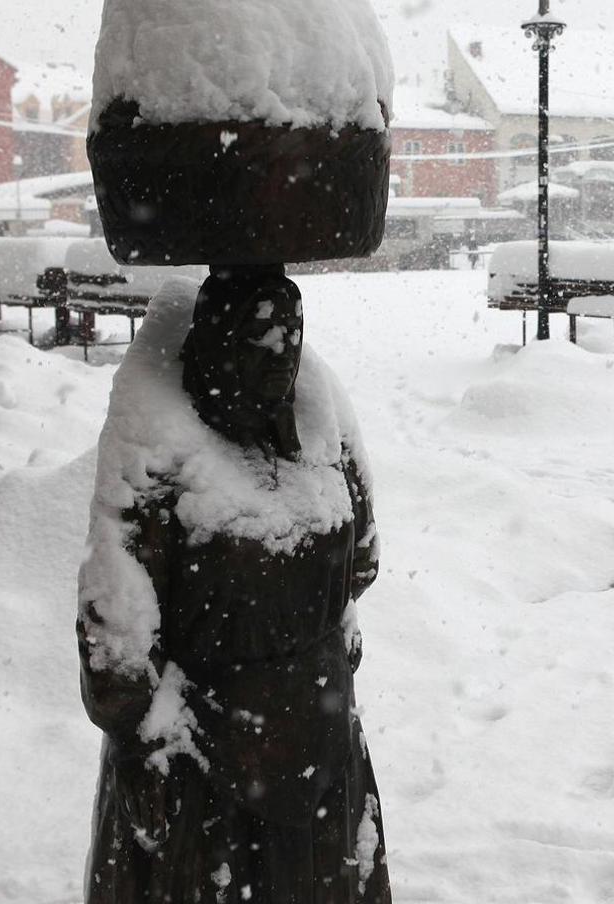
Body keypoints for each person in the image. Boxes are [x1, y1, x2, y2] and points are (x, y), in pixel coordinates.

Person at [77, 265, 389, 904]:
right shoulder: (163, 454)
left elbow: (361, 558)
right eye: (259, 338)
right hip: (204, 750)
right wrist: (142, 738)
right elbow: (117, 625)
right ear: (217, 346)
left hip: (319, 738)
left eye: (292, 335)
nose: (282, 354)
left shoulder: (321, 430)